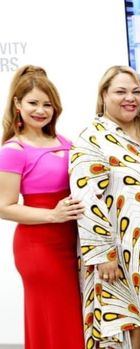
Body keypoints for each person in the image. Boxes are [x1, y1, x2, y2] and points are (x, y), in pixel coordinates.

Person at [69, 65, 140, 349]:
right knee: (112, 323)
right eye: (120, 91)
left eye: (136, 92)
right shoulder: (91, 137)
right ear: (104, 96)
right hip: (113, 248)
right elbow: (85, 199)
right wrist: (102, 255)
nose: (130, 98)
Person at [0, 65, 85, 349]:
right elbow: (4, 207)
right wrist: (53, 214)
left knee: (71, 319)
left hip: (70, 242)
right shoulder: (13, 150)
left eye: (47, 104)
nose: (41, 110)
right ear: (17, 104)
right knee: (54, 319)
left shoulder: (66, 142)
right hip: (39, 247)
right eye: (33, 103)